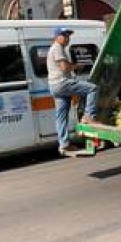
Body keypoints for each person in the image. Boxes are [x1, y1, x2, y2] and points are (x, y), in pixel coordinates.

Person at [47, 27, 99, 155]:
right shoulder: (57, 48)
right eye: (64, 35)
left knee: (61, 116)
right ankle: (88, 116)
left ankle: (64, 144)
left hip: (55, 86)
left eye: (68, 35)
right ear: (57, 36)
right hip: (62, 84)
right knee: (92, 88)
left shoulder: (57, 48)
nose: (67, 38)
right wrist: (76, 66)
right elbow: (64, 68)